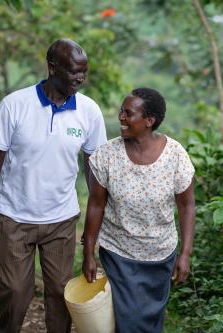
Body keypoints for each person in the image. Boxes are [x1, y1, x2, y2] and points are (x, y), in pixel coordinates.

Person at [0, 39, 107, 333]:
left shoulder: (89, 111)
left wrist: (96, 221)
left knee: (61, 293)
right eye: (74, 71)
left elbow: (93, 168)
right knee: (15, 290)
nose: (80, 79)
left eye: (84, 72)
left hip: (61, 219)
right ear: (52, 67)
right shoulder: (15, 105)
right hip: (15, 218)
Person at [82, 87, 196, 332]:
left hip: (160, 253)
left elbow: (186, 205)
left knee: (151, 320)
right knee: (129, 320)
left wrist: (185, 253)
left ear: (149, 121)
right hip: (118, 252)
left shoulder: (175, 155)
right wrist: (88, 252)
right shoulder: (107, 155)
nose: (121, 117)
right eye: (121, 111)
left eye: (128, 113)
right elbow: (96, 204)